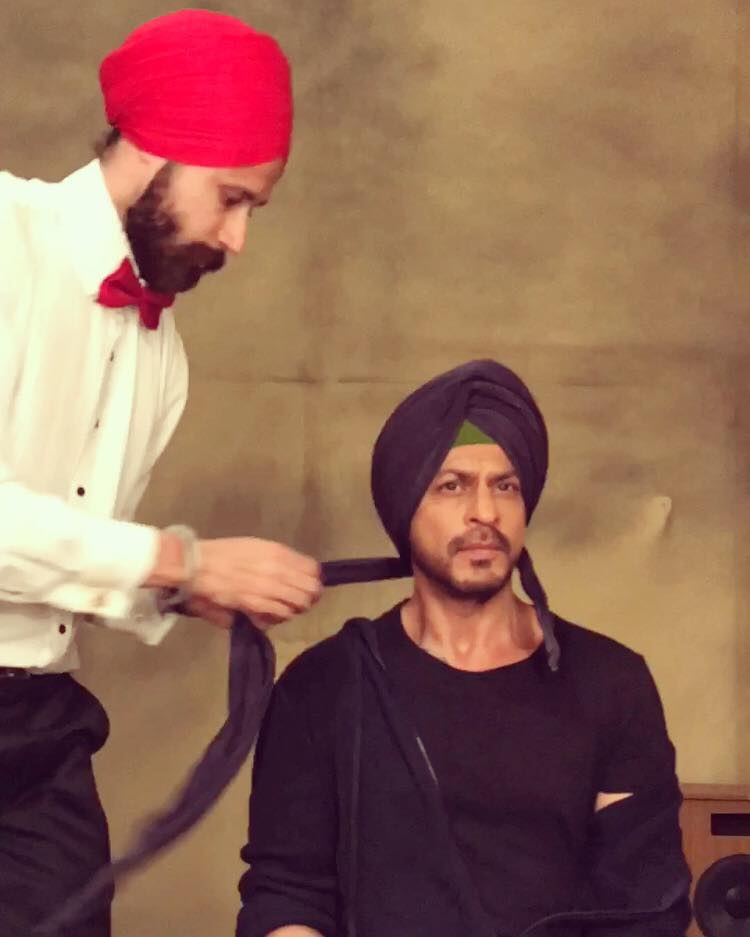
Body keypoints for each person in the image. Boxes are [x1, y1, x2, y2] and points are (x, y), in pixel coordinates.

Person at [0, 10, 322, 936]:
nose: (239, 238)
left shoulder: (161, 358)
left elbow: (67, 563)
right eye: (231, 198)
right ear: (153, 149)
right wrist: (180, 561)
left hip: (39, 725)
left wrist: (183, 591)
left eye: (253, 209)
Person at [236, 359, 691, 937]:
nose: (486, 512)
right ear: (405, 506)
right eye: (452, 486)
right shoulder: (325, 685)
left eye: (506, 485)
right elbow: (286, 896)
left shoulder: (611, 682)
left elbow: (644, 907)